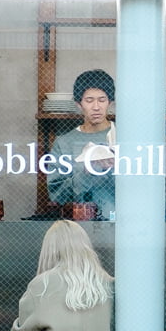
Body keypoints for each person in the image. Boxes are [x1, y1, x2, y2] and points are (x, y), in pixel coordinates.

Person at [47, 68, 118, 220]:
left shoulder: (123, 138)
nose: (96, 107)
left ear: (110, 102)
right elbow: (57, 195)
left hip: (121, 224)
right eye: (89, 100)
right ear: (79, 104)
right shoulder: (64, 143)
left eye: (102, 100)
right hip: (78, 226)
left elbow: (142, 188)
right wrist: (87, 171)